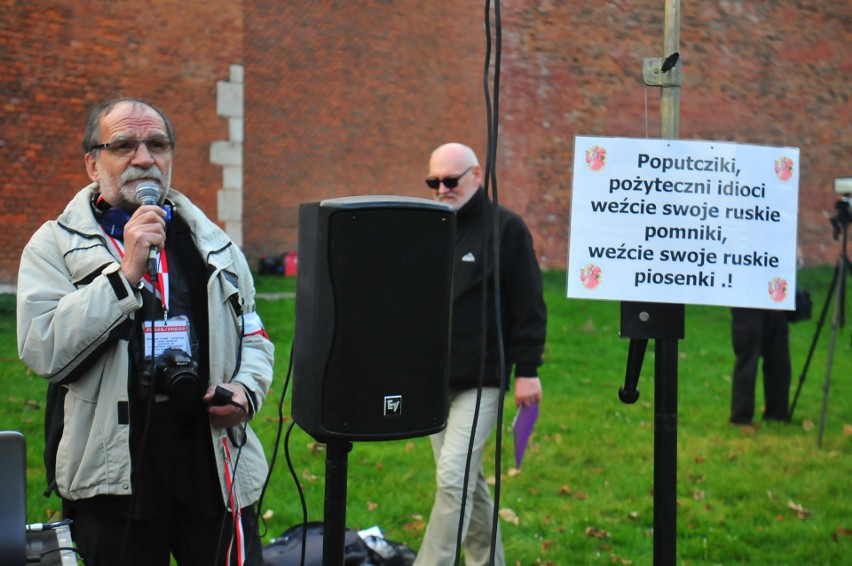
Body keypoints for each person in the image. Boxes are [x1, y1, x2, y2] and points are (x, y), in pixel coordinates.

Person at [16, 98, 275, 566]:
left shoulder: (212, 242)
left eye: (157, 144)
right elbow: (43, 348)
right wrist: (125, 274)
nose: (144, 158)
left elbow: (255, 337)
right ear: (93, 163)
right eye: (124, 145)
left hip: (209, 453)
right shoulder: (53, 244)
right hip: (113, 462)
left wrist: (244, 391)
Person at [414, 143, 547, 566]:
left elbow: (529, 304)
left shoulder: (506, 228)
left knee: (453, 479)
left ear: (475, 175)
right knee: (466, 482)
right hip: (435, 379)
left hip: (482, 378)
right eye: (433, 181)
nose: (441, 189)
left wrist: (527, 370)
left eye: (450, 181)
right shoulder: (430, 227)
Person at [729, 307, 791, 425]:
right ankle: (741, 417)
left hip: (776, 302)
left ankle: (777, 415)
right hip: (746, 304)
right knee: (747, 362)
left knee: (779, 359)